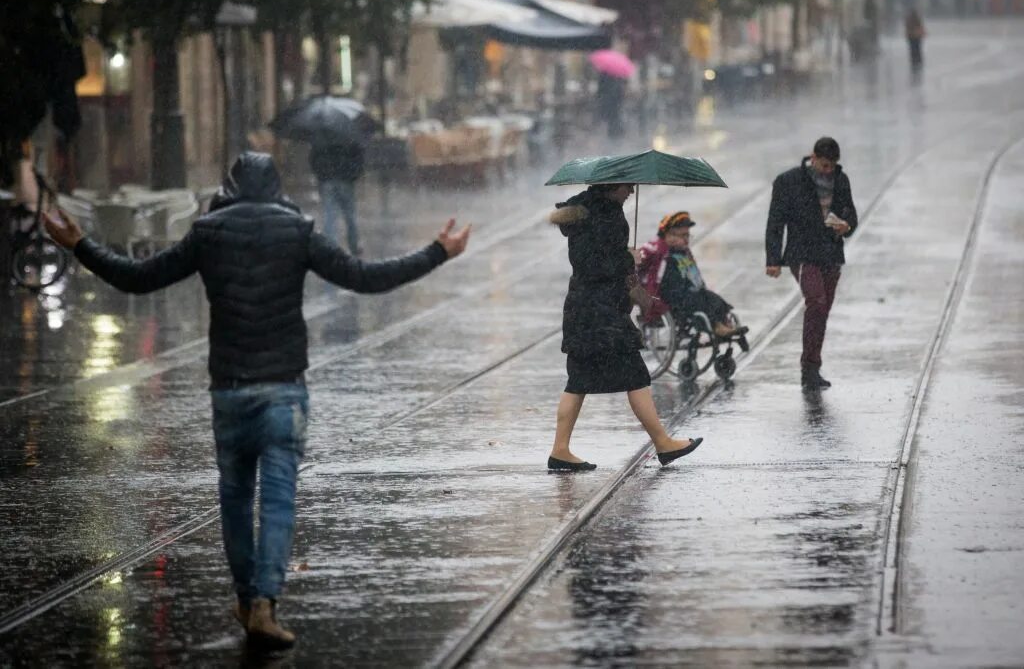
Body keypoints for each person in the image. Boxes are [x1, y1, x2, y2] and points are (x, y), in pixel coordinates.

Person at [43, 152, 471, 649]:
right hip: (283, 388)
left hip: (229, 387)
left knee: (235, 498)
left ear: (230, 186)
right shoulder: (298, 230)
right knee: (278, 499)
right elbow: (364, 277)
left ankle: (248, 600)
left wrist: (80, 244)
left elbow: (137, 277)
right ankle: (265, 602)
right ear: (276, 187)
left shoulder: (208, 232)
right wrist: (438, 251)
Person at [547, 183, 703, 472]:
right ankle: (663, 442)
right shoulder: (605, 216)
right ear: (612, 186)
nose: (631, 190)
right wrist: (626, 258)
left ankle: (560, 449)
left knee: (578, 380)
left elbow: (590, 261)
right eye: (627, 185)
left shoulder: (587, 212)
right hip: (602, 313)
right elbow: (593, 265)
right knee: (636, 375)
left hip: (585, 310)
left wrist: (627, 267)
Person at [765, 137, 857, 390]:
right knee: (816, 302)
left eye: (832, 166)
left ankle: (813, 367)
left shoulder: (841, 180)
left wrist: (845, 226)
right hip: (802, 253)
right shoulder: (788, 182)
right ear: (812, 157)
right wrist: (773, 260)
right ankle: (808, 368)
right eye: (824, 165)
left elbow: (851, 215)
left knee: (822, 310)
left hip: (830, 253)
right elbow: (775, 222)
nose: (828, 171)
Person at [636, 211, 747, 339]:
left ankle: (725, 323)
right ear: (668, 235)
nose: (686, 239)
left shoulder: (684, 252)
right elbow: (634, 263)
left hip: (686, 291)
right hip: (667, 294)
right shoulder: (653, 249)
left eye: (688, 235)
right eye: (682, 235)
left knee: (713, 298)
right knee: (697, 302)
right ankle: (717, 326)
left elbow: (693, 273)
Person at [309, 138, 364, 254]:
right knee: (350, 215)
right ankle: (353, 245)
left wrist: (320, 174)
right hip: (346, 179)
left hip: (327, 179)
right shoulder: (349, 135)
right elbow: (359, 157)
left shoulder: (321, 136)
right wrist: (354, 174)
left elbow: (313, 158)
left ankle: (331, 247)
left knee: (330, 215)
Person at [596, 72, 625, 139]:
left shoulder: (603, 74)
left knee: (611, 115)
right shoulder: (618, 74)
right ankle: (616, 130)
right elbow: (620, 88)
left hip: (608, 98)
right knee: (615, 115)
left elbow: (601, 88)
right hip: (615, 99)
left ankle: (613, 131)